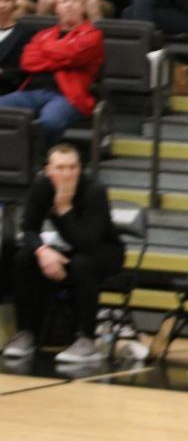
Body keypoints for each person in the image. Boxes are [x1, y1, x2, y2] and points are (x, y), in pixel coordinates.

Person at [1, 143, 124, 365]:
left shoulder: (95, 190)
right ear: (48, 170)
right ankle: (27, 332)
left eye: (72, 167)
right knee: (23, 259)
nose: (66, 173)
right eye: (60, 168)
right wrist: (43, 251)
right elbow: (29, 228)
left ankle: (87, 338)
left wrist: (64, 207)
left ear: (80, 168)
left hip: (105, 251)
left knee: (81, 263)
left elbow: (87, 242)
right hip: (70, 248)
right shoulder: (42, 186)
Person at [0, 0, 102, 144]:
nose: (69, 5)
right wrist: (63, 56)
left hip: (67, 96)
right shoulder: (44, 34)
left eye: (75, 1)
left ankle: (43, 161)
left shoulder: (93, 35)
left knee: (50, 121)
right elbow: (28, 62)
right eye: (64, 1)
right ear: (57, 9)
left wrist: (46, 50)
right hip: (31, 92)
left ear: (83, 7)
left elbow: (74, 55)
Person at [0, 0, 31, 93]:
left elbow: (22, 70)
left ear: (14, 3)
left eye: (7, 0)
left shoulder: (23, 34)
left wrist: (2, 72)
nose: (2, 5)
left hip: (6, 88)